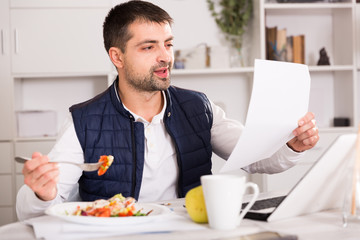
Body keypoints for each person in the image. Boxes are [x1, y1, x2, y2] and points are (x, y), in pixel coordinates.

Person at [16, 0, 319, 221]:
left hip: (189, 230)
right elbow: (38, 205)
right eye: (148, 47)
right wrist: (41, 192)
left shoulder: (199, 108)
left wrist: (294, 146)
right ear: (117, 57)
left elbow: (258, 158)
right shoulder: (84, 121)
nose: (165, 57)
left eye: (168, 44)